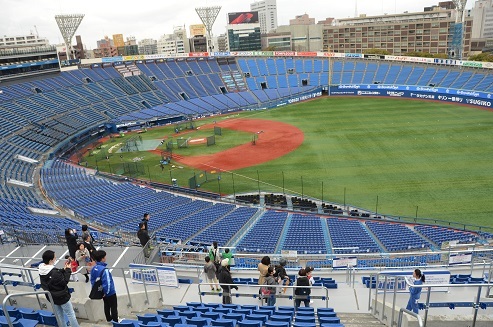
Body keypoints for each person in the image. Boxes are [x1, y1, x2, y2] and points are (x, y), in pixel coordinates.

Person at [39, 250, 80, 327]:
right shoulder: (54, 272)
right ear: (51, 260)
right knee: (71, 314)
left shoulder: (42, 269)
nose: (56, 258)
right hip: (61, 296)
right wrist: (68, 270)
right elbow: (64, 281)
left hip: (51, 297)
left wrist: (63, 270)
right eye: (54, 257)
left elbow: (53, 274)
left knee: (59, 315)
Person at [91, 250, 118, 323]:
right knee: (113, 307)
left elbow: (93, 281)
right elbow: (107, 282)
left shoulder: (94, 268)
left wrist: (100, 291)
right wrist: (107, 292)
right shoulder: (105, 270)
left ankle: (108, 319)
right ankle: (115, 321)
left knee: (106, 305)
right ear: (102, 258)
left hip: (101, 291)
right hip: (110, 292)